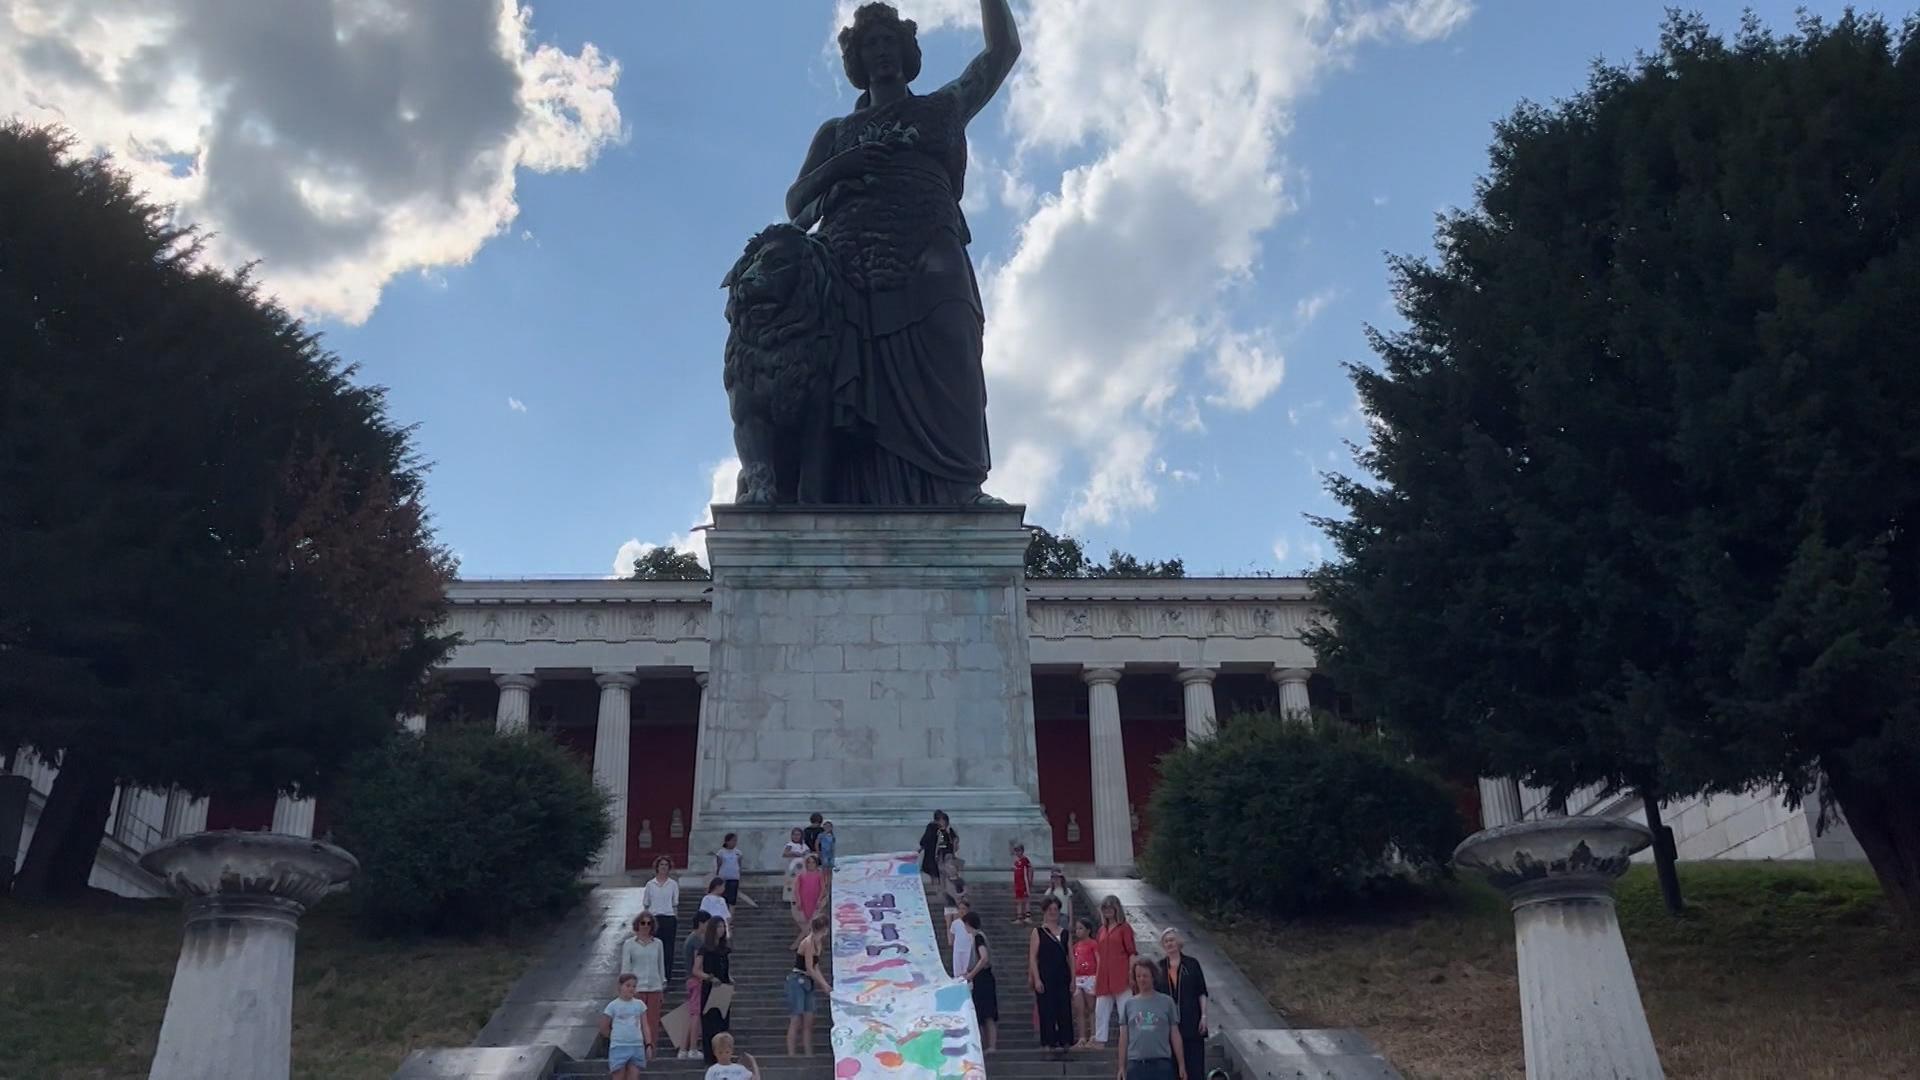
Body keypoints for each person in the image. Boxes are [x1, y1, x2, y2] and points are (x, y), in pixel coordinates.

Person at [786, 1, 1022, 506]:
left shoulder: (943, 107)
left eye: (891, 42)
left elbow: (1002, 52)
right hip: (854, 258)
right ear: (858, 60)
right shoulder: (836, 133)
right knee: (859, 371)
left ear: (908, 50)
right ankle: (849, 492)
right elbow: (796, 204)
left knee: (954, 338)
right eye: (872, 45)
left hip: (930, 243)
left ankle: (962, 486)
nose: (883, 53)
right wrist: (842, 166)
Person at [1117, 958, 1186, 1080]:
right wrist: (1121, 1067)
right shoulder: (1129, 1004)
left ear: (1153, 976)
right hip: (1136, 1065)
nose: (1141, 979)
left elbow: (1175, 1034)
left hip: (1162, 1065)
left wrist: (1181, 1065)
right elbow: (1124, 1037)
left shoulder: (1167, 1002)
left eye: (1145, 976)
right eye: (1138, 976)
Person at [1155, 928, 1211, 1080]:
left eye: (1172, 940)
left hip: (1191, 1019)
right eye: (1166, 941)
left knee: (1194, 1064)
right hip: (1169, 1024)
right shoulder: (1159, 967)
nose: (1169, 944)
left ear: (1179, 942)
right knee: (1172, 1066)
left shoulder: (1192, 964)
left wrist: (1204, 1016)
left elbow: (1201, 992)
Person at [1027, 896, 1074, 1055]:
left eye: (1056, 910)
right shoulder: (1038, 932)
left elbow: (1071, 958)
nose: (1053, 913)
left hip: (1062, 976)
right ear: (1045, 912)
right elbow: (1033, 957)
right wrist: (1036, 978)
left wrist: (1073, 979)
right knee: (1046, 1010)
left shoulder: (1065, 933)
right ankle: (1048, 1042)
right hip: (1045, 976)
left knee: (1064, 1009)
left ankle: (1065, 1040)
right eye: (1050, 910)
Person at [618, 913, 665, 1056]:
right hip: (636, 988)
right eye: (643, 923)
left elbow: (660, 966)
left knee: (653, 1021)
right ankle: (636, 1050)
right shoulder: (629, 944)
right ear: (637, 925)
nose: (645, 926)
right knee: (635, 1021)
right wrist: (624, 988)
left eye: (649, 923)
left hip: (654, 986)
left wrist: (662, 985)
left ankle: (651, 1050)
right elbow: (626, 967)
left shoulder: (658, 943)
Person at [1093, 894, 1137, 1046]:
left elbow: (1131, 952)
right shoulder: (1101, 930)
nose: (1108, 910)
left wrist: (1131, 974)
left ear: (1116, 908)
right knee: (1100, 1010)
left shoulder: (1124, 928)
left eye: (1111, 907)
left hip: (1121, 974)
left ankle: (1129, 1041)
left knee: (1125, 1010)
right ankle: (1100, 1040)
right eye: (1105, 908)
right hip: (1104, 976)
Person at [786, 913, 833, 1056]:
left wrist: (824, 983)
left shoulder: (818, 944)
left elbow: (816, 966)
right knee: (796, 1020)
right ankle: (791, 1054)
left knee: (808, 1021)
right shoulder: (807, 942)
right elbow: (809, 967)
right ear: (824, 929)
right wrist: (823, 985)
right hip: (797, 980)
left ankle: (808, 1053)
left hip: (808, 982)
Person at [693, 916, 734, 1064]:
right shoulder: (704, 949)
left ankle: (724, 1055)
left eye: (723, 927)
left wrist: (730, 979)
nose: (721, 930)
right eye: (718, 927)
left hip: (723, 988)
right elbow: (696, 970)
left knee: (723, 1022)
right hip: (710, 988)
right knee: (710, 1024)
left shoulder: (724, 949)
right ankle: (710, 1057)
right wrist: (709, 978)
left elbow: (725, 968)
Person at [961, 911, 998, 1052]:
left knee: (987, 1013)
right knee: (982, 1014)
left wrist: (971, 974)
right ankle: (987, 1045)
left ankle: (991, 1045)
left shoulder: (978, 938)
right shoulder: (977, 937)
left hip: (983, 978)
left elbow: (984, 958)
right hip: (981, 978)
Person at [599, 973, 648, 1080]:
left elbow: (645, 1026)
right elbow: (603, 1027)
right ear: (620, 986)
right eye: (628, 985)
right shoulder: (613, 1005)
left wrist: (648, 1044)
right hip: (619, 1046)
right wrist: (614, 1036)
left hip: (636, 1045)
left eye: (634, 986)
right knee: (618, 1076)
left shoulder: (639, 1005)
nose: (631, 989)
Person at [641, 857, 681, 984]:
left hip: (669, 917)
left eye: (666, 865)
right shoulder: (650, 884)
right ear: (657, 867)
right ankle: (653, 976)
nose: (663, 867)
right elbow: (646, 904)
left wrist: (675, 918)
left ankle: (667, 978)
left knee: (668, 949)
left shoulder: (673, 884)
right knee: (653, 949)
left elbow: (675, 903)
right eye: (661, 864)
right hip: (654, 919)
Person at [681, 910, 712, 1059]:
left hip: (690, 979)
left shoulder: (690, 939)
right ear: (701, 923)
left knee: (692, 1014)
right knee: (696, 1015)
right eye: (707, 923)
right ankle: (693, 1048)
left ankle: (683, 1049)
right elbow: (697, 964)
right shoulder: (696, 940)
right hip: (696, 980)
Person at [1071, 916, 1099, 1049]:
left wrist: (1098, 978)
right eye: (1077, 928)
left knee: (1092, 1008)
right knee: (1079, 1009)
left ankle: (1093, 1035)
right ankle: (1082, 1037)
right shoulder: (1075, 946)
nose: (1078, 931)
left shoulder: (1093, 944)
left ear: (1088, 930)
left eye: (1081, 928)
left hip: (1090, 977)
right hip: (1078, 978)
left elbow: (1099, 960)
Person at [793, 852, 827, 930]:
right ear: (806, 864)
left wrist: (819, 900)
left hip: (815, 901)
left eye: (813, 862)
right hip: (804, 901)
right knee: (804, 922)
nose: (811, 864)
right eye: (809, 862)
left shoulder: (820, 875)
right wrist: (799, 901)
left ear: (816, 864)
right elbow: (797, 889)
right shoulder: (801, 876)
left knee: (815, 921)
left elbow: (823, 888)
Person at [712, 834, 744, 909]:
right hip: (723, 877)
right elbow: (719, 864)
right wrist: (717, 875)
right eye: (733, 840)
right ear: (727, 841)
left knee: (732, 898)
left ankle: (731, 914)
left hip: (734, 877)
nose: (734, 842)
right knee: (723, 897)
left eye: (735, 841)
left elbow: (739, 864)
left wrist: (739, 874)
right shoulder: (721, 852)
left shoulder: (738, 852)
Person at [781, 827, 810, 905]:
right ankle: (789, 898)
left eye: (798, 835)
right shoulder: (790, 845)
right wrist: (794, 853)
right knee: (791, 884)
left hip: (802, 868)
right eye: (794, 835)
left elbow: (808, 853)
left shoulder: (804, 845)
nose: (796, 837)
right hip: (793, 868)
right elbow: (785, 854)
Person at [947, 895, 974, 978]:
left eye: (964, 909)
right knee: (957, 973)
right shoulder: (955, 923)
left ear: (968, 910)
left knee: (967, 972)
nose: (961, 911)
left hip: (968, 950)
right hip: (957, 951)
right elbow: (952, 936)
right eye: (960, 909)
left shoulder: (972, 922)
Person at [918, 810, 947, 887]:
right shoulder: (940, 828)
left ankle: (936, 887)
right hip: (935, 852)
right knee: (936, 872)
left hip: (932, 852)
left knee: (934, 872)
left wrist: (921, 847)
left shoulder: (933, 827)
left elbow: (925, 839)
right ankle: (938, 887)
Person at [1010, 842, 1033, 925]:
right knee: (1018, 900)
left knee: (1026, 899)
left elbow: (1030, 868)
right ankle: (1019, 917)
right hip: (1018, 884)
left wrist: (1030, 880)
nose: (1017, 853)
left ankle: (1028, 916)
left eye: (1018, 850)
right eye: (1016, 851)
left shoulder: (1025, 860)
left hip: (1024, 883)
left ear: (1022, 851)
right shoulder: (1016, 862)